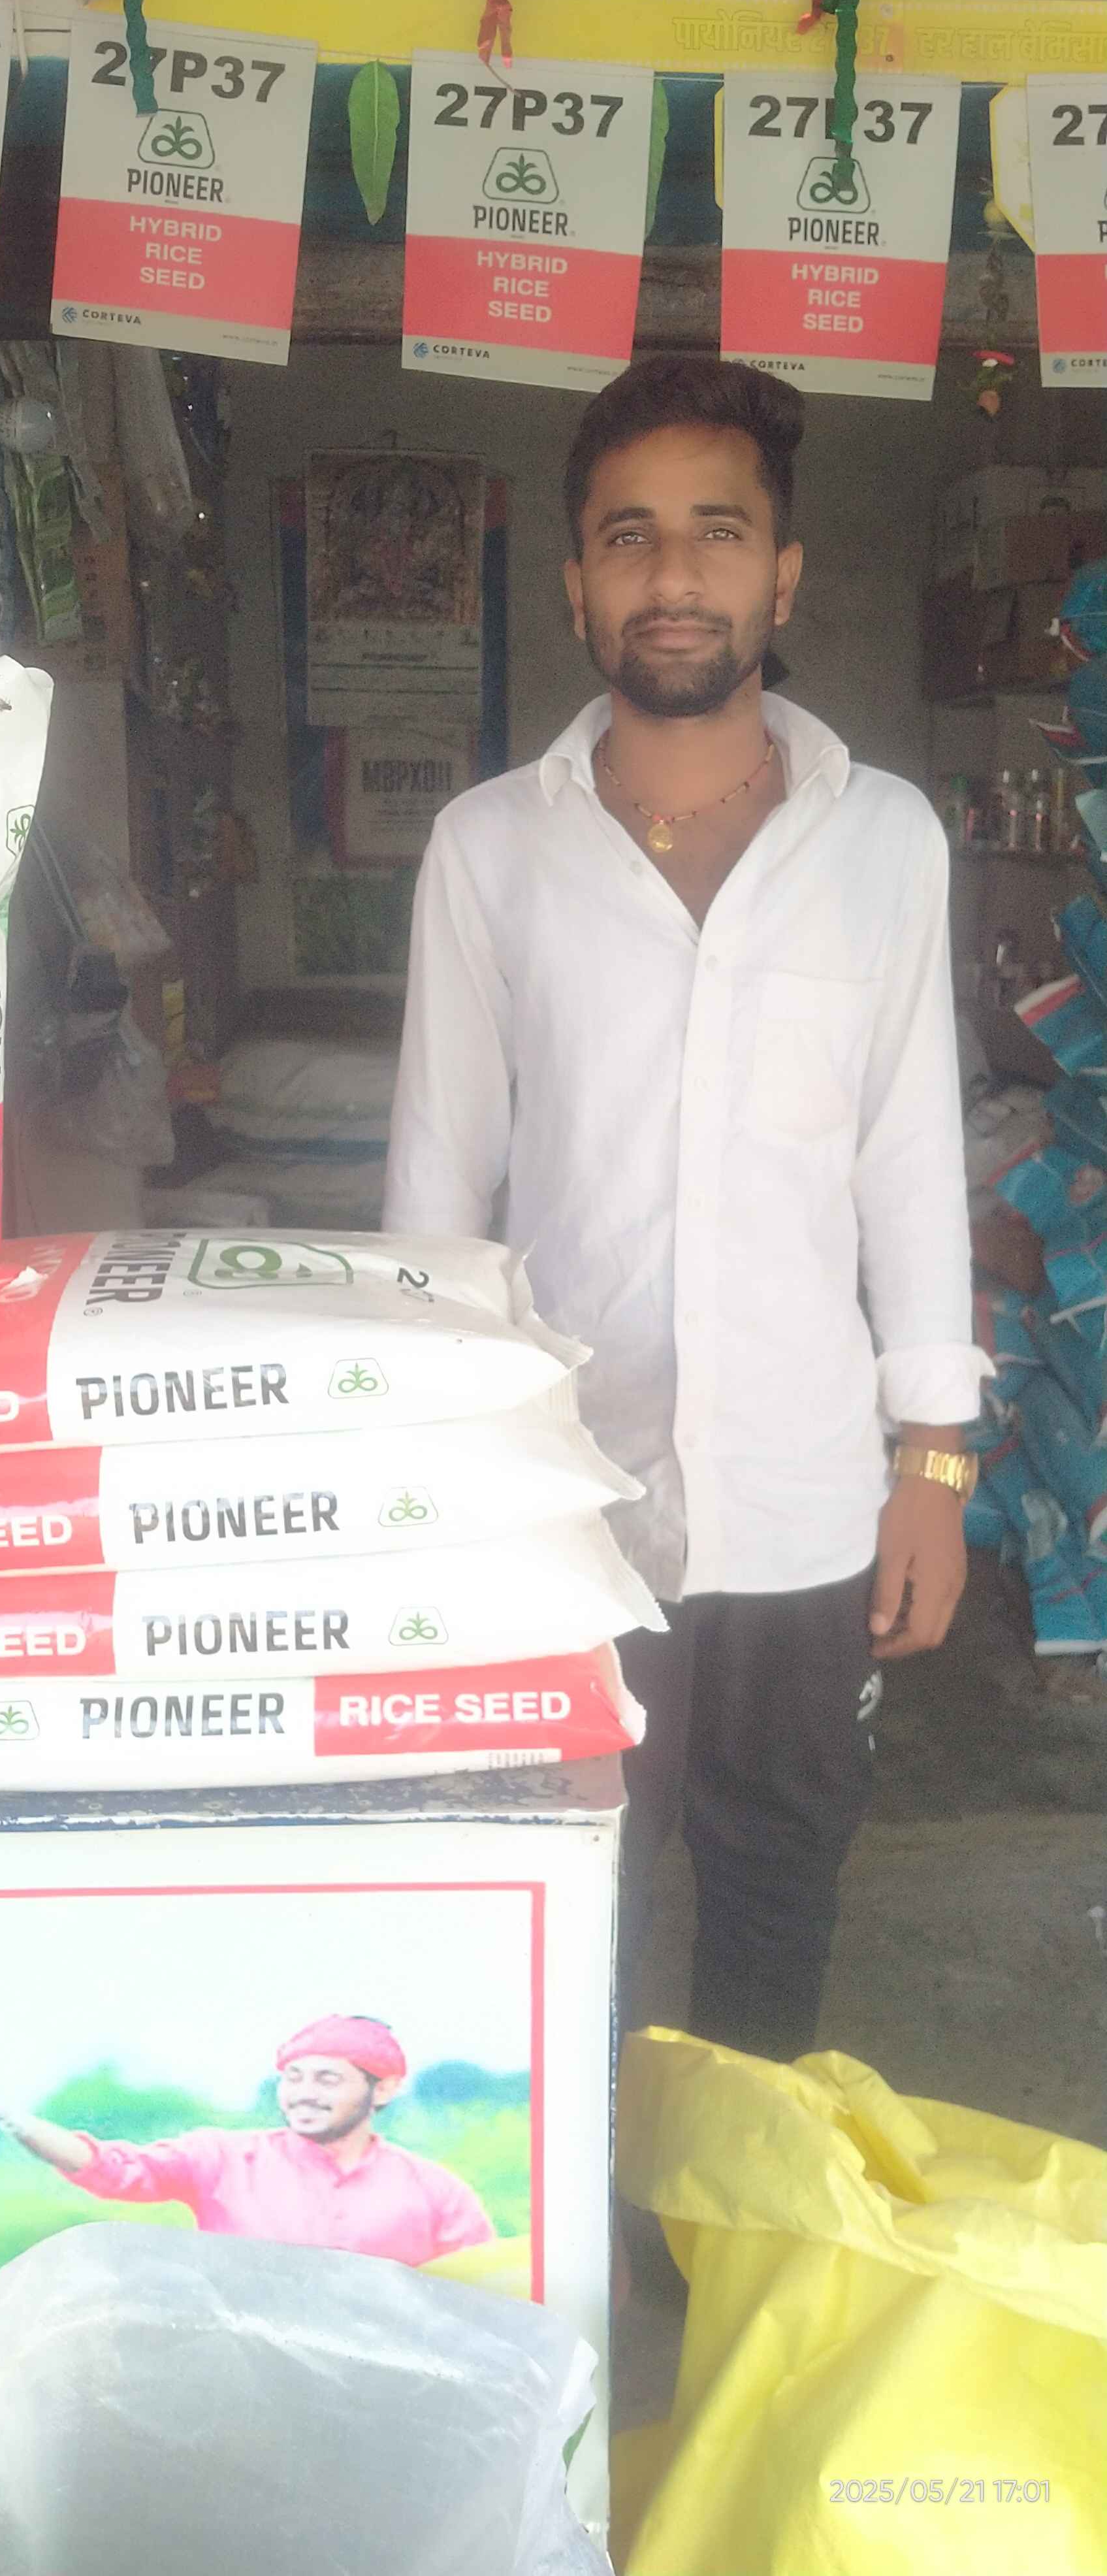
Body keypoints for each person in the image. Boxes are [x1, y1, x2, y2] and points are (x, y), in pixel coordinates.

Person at [383, 355, 989, 2064]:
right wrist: (433, 1483)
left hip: (804, 1504)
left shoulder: (887, 843)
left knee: (779, 1903)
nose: (672, 574)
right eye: (627, 535)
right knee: (566, 1905)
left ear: (781, 577)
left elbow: (908, 1158)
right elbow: (436, 1188)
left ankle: (728, 2210)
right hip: (562, 1505)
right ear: (576, 583)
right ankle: (580, 2209)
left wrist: (935, 1463)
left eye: (717, 533)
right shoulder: (489, 850)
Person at [0, 2013, 494, 2266]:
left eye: (328, 2080)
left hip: (384, 2405)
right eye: (293, 2078)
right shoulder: (224, 2158)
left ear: (384, 2089)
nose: (304, 2094)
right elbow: (112, 2169)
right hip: (243, 2390)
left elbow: (485, 2300)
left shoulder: (435, 2192)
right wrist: (9, 2116)